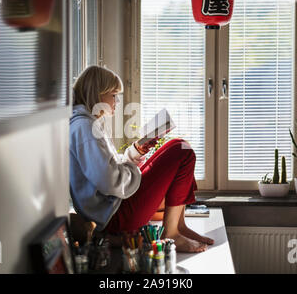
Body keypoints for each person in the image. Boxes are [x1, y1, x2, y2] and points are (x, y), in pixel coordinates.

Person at [69, 65, 214, 253]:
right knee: (181, 150)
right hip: (114, 214)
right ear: (97, 94)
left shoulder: (89, 123)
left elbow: (109, 168)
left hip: (114, 207)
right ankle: (171, 234)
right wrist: (137, 170)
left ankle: (179, 227)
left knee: (181, 145)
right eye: (114, 95)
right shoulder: (85, 127)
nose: (117, 101)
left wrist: (135, 151)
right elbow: (109, 181)